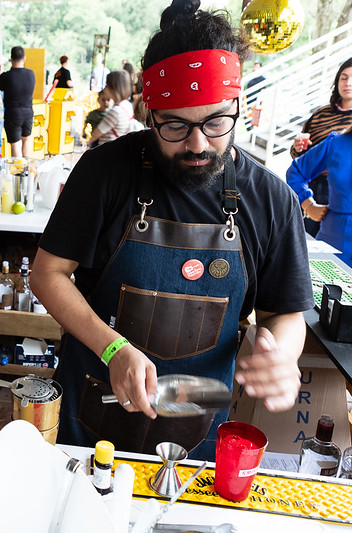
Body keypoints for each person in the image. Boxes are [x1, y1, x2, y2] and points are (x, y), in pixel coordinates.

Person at [29, 0, 313, 461]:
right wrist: (113, 347)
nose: (198, 144)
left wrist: (281, 354)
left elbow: (285, 313)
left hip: (195, 429)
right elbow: (47, 274)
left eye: (217, 121)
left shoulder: (272, 201)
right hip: (89, 415)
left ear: (239, 105)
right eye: (176, 125)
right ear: (148, 112)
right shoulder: (105, 173)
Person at [287, 93, 352, 275]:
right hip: (328, 241)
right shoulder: (336, 144)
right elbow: (296, 172)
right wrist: (308, 205)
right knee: (312, 299)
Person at [290, 56, 352, 237]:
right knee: (305, 237)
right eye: (343, 77)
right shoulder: (321, 113)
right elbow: (300, 159)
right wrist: (298, 148)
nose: (348, 82)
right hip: (315, 185)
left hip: (344, 189)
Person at [0, 46, 36, 158]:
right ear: (24, 58)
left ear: (11, 59)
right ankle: (26, 171)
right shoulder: (31, 74)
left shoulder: (5, 76)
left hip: (12, 114)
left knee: (15, 145)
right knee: (26, 141)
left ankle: (18, 172)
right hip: (28, 113)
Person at [87, 70, 144, 147]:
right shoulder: (127, 105)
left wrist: (89, 143)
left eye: (107, 85)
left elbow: (95, 135)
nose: (105, 88)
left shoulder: (115, 112)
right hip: (117, 149)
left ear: (113, 88)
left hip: (106, 153)